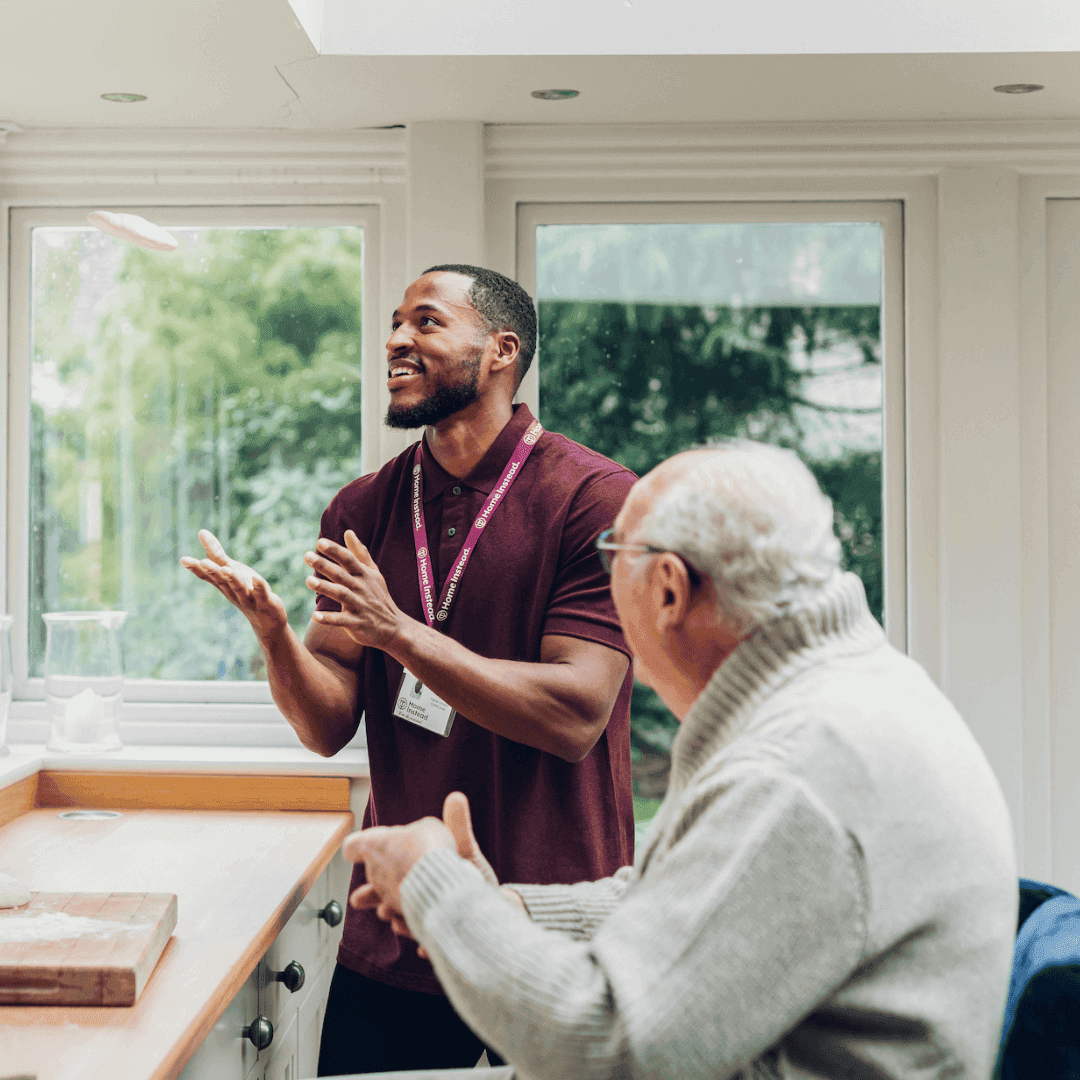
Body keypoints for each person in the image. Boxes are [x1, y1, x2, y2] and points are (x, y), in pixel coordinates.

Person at [345, 440, 1020, 1080]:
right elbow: (700, 904)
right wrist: (510, 909)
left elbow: (608, 1050)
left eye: (614, 558)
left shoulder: (794, 771)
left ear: (668, 590)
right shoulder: (850, 694)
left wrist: (437, 888)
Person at [180, 265, 636, 1076]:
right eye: (394, 323)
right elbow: (326, 726)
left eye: (426, 322)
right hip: (396, 935)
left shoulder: (596, 498)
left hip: (553, 931)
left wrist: (398, 632)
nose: (395, 339)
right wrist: (278, 636)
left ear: (501, 350)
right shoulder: (362, 509)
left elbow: (575, 715)